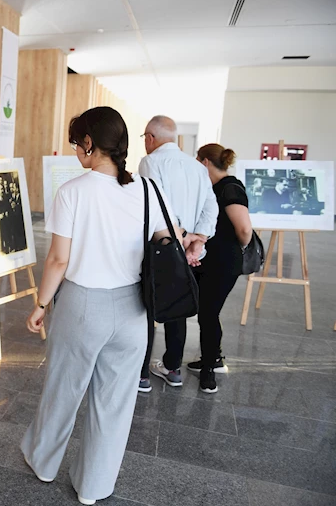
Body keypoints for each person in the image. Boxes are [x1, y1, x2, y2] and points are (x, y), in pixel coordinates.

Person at [21, 106, 191, 505]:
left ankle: (44, 464)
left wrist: (41, 303)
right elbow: (170, 238)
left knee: (62, 391)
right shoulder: (148, 189)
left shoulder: (73, 192)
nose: (74, 150)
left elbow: (58, 261)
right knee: (114, 405)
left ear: (89, 143)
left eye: (76, 142)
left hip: (82, 306)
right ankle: (93, 488)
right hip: (134, 312)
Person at [138, 115, 218, 392]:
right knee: (177, 307)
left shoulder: (151, 162)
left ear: (150, 137)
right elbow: (211, 206)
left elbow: (156, 206)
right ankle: (173, 369)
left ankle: (142, 375)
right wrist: (198, 240)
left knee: (147, 308)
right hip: (189, 253)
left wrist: (181, 237)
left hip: (160, 248)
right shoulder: (196, 167)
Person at [188, 144, 254, 393]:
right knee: (206, 312)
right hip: (209, 259)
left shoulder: (230, 188)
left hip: (224, 262)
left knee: (208, 314)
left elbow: (244, 229)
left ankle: (209, 372)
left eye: (196, 160)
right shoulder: (213, 187)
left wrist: (236, 248)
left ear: (205, 162)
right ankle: (211, 359)